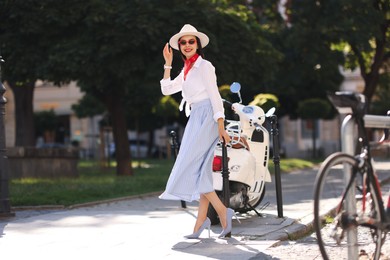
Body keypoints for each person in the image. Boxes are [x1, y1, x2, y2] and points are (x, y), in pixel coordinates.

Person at [159, 24, 238, 239]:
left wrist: (220, 124)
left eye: (191, 41)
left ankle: (222, 212)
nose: (186, 45)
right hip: (195, 118)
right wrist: (168, 64)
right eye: (183, 42)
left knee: (190, 166)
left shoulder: (205, 66)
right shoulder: (185, 71)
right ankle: (201, 223)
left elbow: (214, 96)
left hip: (209, 117)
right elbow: (166, 89)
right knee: (201, 170)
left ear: (198, 44)